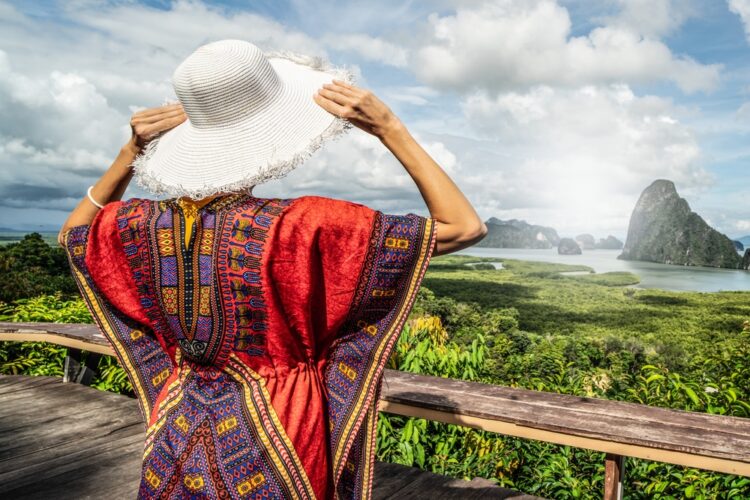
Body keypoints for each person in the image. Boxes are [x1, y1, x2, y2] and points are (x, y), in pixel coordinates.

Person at [58, 40, 486, 500]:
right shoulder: (303, 225)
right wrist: (391, 129)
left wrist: (130, 152)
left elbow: (74, 236)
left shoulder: (141, 223)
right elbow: (463, 227)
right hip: (279, 427)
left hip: (179, 424)